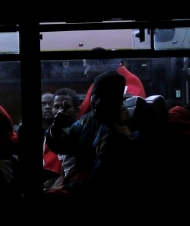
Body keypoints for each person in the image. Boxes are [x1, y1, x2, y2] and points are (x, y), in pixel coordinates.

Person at [46, 71, 135, 202]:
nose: (97, 102)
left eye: (105, 97)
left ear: (116, 100)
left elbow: (97, 182)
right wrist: (57, 127)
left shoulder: (119, 136)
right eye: (95, 95)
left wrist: (63, 188)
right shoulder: (89, 119)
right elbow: (65, 144)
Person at [78, 55, 146, 117]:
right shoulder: (101, 82)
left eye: (86, 67)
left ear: (98, 64)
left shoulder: (130, 83)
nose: (85, 72)